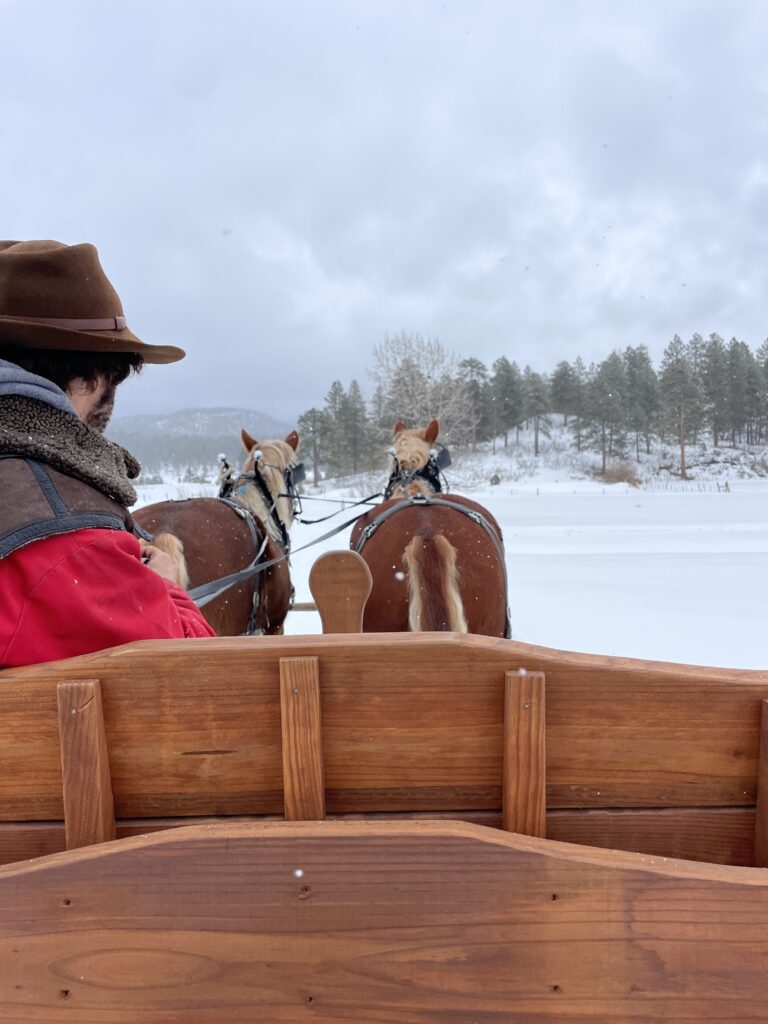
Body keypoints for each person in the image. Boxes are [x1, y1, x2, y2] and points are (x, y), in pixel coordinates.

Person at [0, 239, 215, 668]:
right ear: (91, 374)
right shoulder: (62, 536)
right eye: (116, 372)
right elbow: (198, 674)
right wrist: (168, 585)